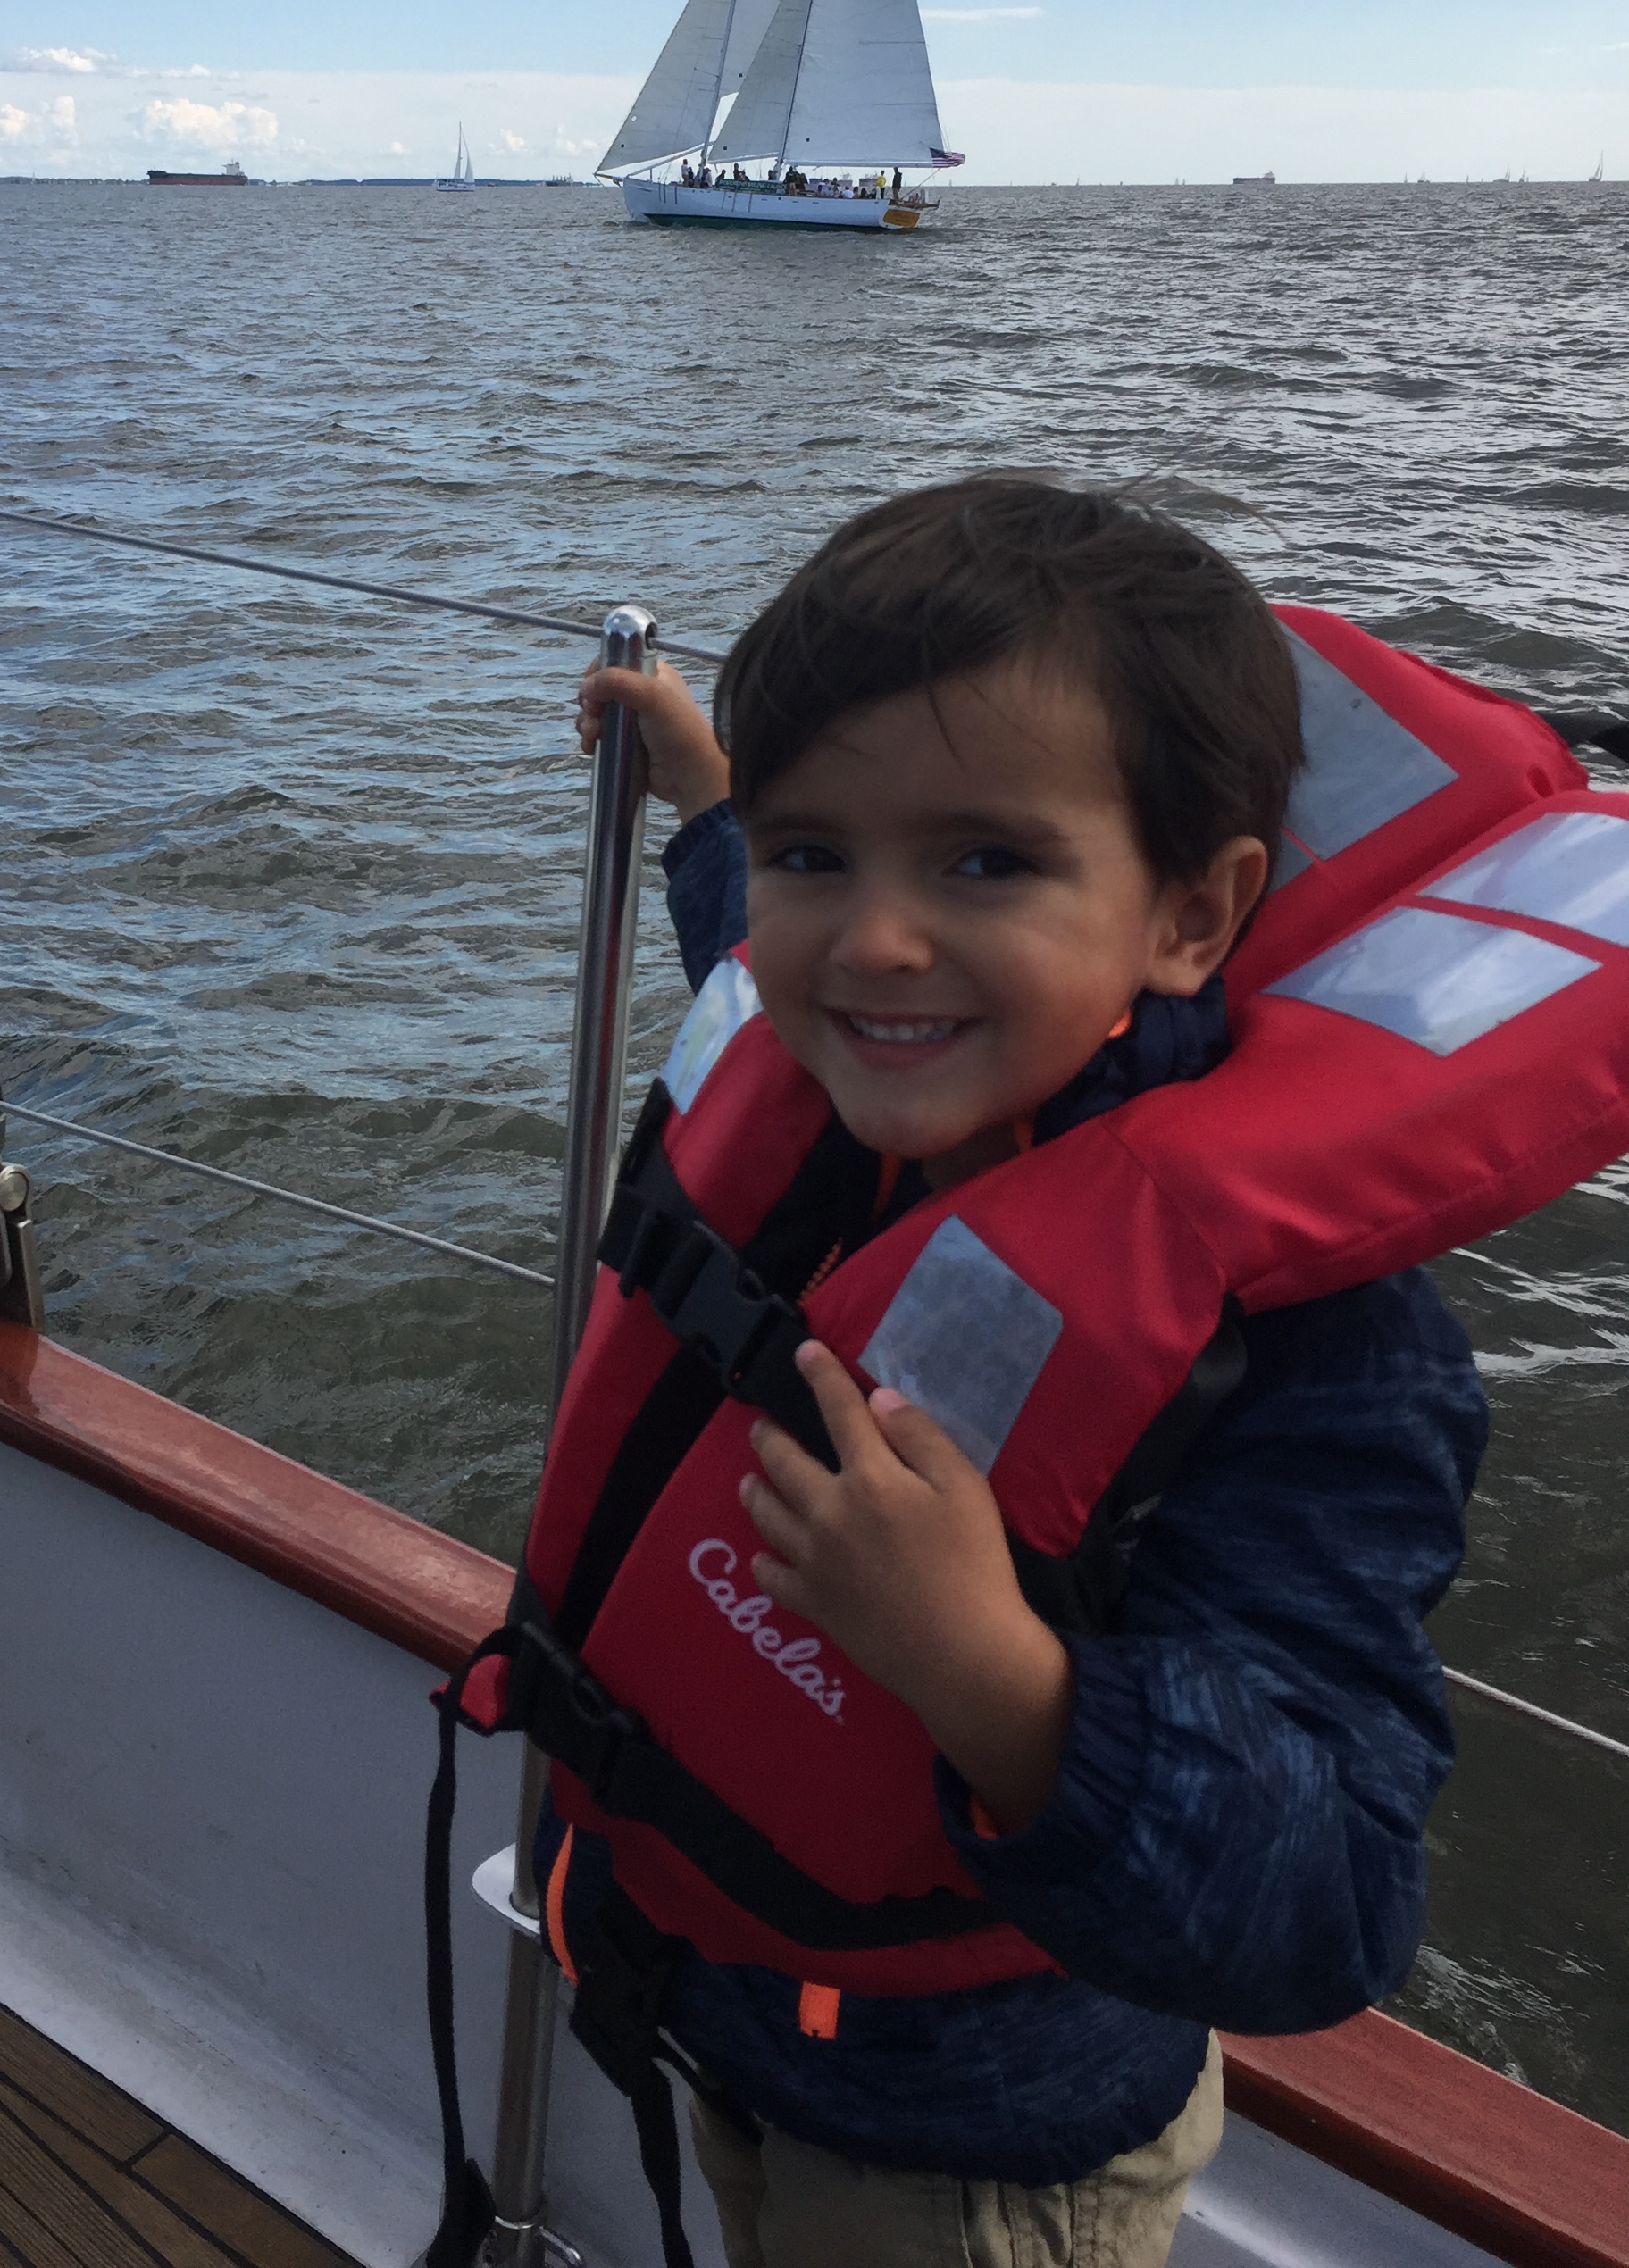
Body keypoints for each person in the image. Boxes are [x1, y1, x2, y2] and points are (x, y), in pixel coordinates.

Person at [560, 475, 1486, 2268]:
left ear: (1192, 917)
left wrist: (992, 1674)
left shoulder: (1315, 1354)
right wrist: (702, 798)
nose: (879, 939)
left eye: (987, 860)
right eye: (818, 850)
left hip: (976, 2155)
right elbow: (750, 953)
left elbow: (1338, 1902)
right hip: (722, 2004)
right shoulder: (848, 1084)